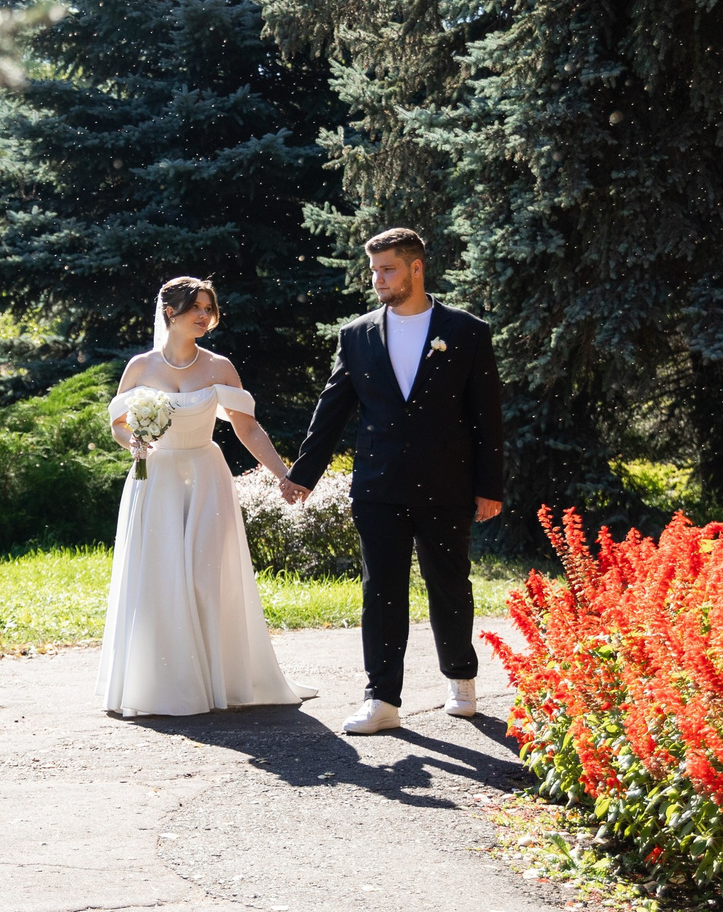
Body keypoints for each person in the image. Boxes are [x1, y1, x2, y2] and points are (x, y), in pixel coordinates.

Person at [279, 229, 505, 735]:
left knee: (449, 584)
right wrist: (303, 475)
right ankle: (382, 697)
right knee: (381, 589)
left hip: (448, 483)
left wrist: (490, 486)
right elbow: (332, 409)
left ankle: (461, 679)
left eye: (388, 270)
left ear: (416, 268)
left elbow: (487, 416)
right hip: (378, 485)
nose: (378, 279)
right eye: (374, 270)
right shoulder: (356, 335)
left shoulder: (466, 331)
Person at [98, 276, 315, 716]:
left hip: (206, 474)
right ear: (169, 313)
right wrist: (137, 445)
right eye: (195, 307)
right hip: (155, 478)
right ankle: (164, 683)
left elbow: (246, 426)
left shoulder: (219, 367)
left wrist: (283, 474)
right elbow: (119, 425)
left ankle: (219, 678)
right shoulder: (140, 367)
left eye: (209, 308)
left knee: (206, 575)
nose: (204, 315)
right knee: (159, 578)